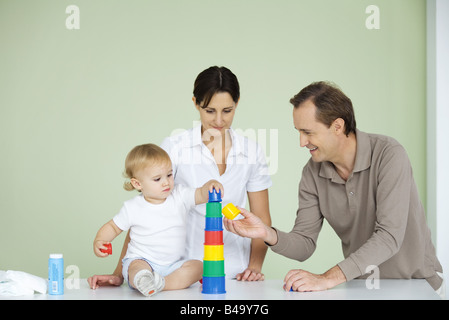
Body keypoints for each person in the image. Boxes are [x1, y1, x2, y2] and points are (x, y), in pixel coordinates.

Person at [223, 81, 445, 298]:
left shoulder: (389, 155)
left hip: (416, 286)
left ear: (337, 126)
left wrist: (327, 278)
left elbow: (389, 236)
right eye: (298, 132)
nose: (302, 142)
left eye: (308, 132)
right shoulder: (312, 173)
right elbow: (304, 244)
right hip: (363, 287)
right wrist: (266, 233)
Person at [88, 66, 272, 289]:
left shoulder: (252, 151)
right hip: (179, 272)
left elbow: (261, 218)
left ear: (237, 103)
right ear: (196, 103)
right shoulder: (175, 147)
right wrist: (119, 273)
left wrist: (254, 267)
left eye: (227, 110)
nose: (219, 120)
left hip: (235, 271)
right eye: (210, 110)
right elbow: (146, 210)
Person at [93, 143, 223, 296]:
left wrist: (210, 185)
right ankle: (144, 280)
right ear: (137, 183)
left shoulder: (179, 195)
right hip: (142, 259)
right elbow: (113, 227)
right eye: (157, 179)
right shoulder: (132, 207)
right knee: (136, 268)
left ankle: (162, 284)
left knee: (199, 267)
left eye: (169, 175)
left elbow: (201, 194)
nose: (166, 182)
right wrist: (100, 240)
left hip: (173, 265)